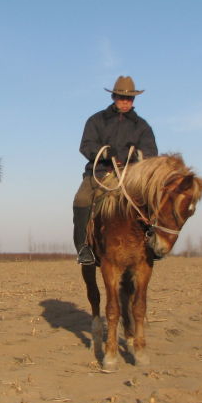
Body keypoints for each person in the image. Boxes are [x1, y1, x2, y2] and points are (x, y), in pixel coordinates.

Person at [72, 76, 158, 265]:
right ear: (113, 97)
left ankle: (154, 241)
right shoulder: (96, 120)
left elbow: (151, 153)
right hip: (99, 173)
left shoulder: (142, 126)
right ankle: (83, 247)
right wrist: (102, 153)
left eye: (129, 98)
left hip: (130, 176)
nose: (125, 102)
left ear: (134, 100)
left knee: (154, 196)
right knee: (81, 199)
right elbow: (86, 145)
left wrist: (136, 157)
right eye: (121, 97)